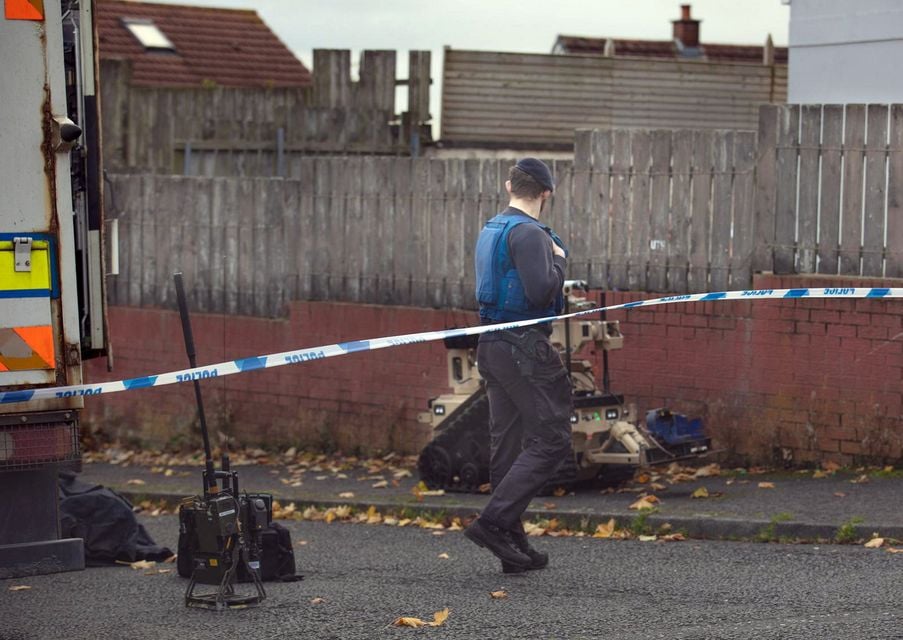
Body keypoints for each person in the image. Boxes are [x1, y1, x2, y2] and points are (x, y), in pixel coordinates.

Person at [463, 157, 573, 573]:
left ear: (509, 185)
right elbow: (542, 292)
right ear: (546, 193)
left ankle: (510, 539)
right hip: (523, 349)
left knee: (506, 443)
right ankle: (494, 523)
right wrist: (559, 260)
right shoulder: (530, 234)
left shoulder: (492, 229)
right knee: (553, 438)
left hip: (491, 344)